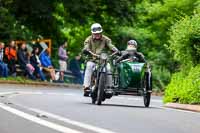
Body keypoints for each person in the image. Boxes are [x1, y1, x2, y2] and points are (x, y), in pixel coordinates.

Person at [82, 23, 119, 96]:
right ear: (92, 33)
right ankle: (86, 87)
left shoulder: (106, 39)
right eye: (95, 33)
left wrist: (116, 50)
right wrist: (86, 50)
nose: (97, 34)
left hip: (103, 60)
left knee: (108, 69)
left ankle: (109, 87)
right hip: (92, 59)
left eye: (98, 33)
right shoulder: (88, 39)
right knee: (89, 66)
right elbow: (86, 46)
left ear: (101, 32)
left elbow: (111, 46)